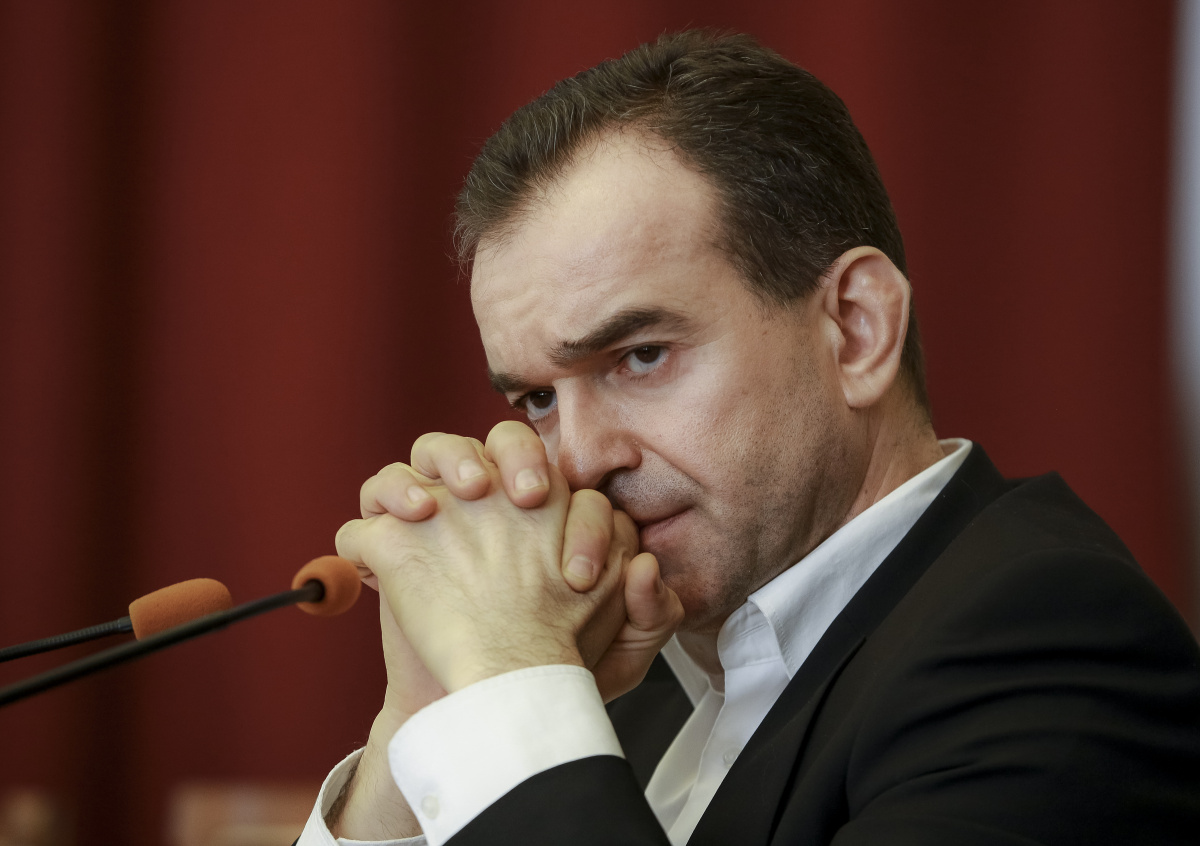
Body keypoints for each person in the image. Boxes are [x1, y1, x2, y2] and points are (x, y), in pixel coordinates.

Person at [298, 30, 1200, 846]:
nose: (577, 460)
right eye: (537, 397)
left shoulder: (1048, 642)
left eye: (641, 356)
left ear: (855, 330)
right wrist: (423, 722)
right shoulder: (613, 677)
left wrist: (508, 679)